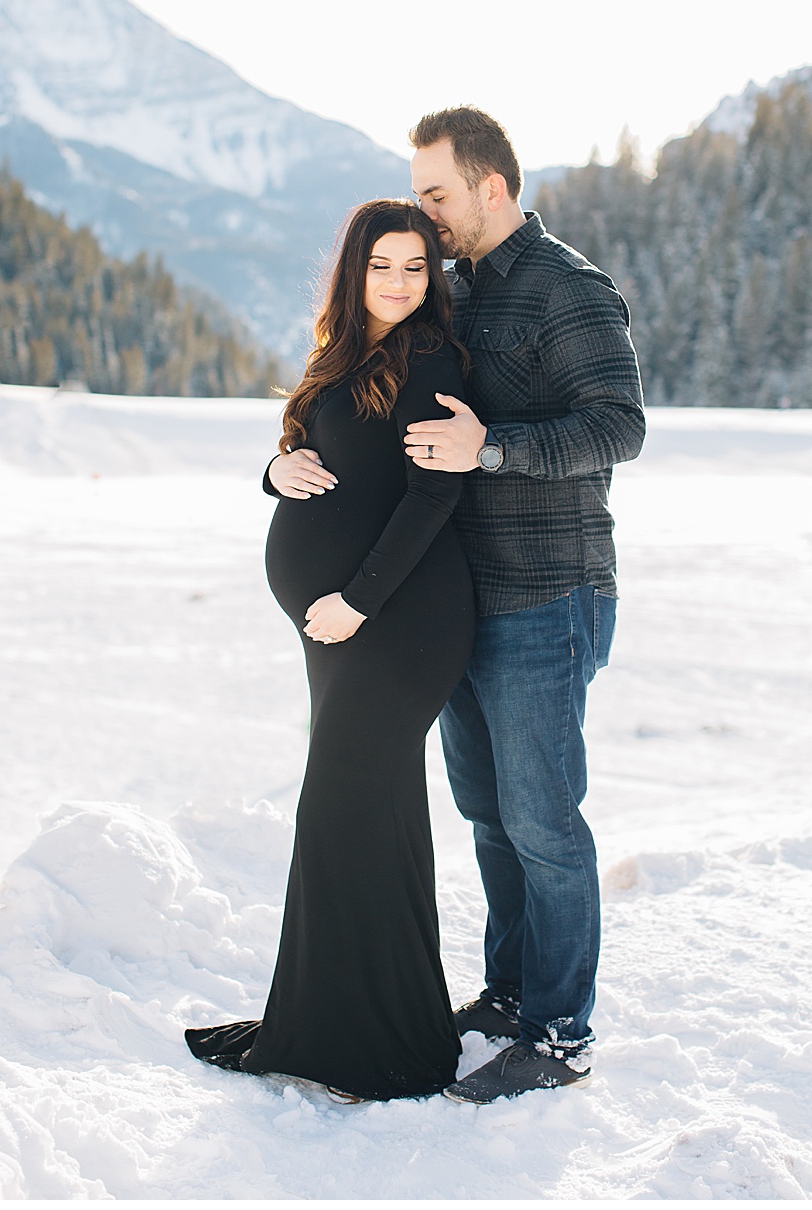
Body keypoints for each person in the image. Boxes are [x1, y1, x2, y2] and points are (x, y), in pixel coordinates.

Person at [273, 107, 646, 1105]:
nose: (427, 218)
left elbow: (620, 425)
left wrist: (493, 446)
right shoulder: (454, 294)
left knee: (542, 819)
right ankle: (512, 989)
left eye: (437, 194)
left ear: (491, 185)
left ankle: (562, 1032)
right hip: (463, 603)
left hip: (548, 592)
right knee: (488, 813)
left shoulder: (570, 288)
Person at [185, 199, 476, 1102]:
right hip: (347, 630)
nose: (398, 282)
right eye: (382, 265)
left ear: (433, 277)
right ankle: (354, 1027)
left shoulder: (430, 359)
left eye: (416, 267)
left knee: (343, 811)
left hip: (399, 620)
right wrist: (272, 472)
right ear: (354, 270)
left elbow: (434, 499)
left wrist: (355, 598)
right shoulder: (346, 350)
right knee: (365, 815)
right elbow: (303, 449)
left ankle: (372, 1043)